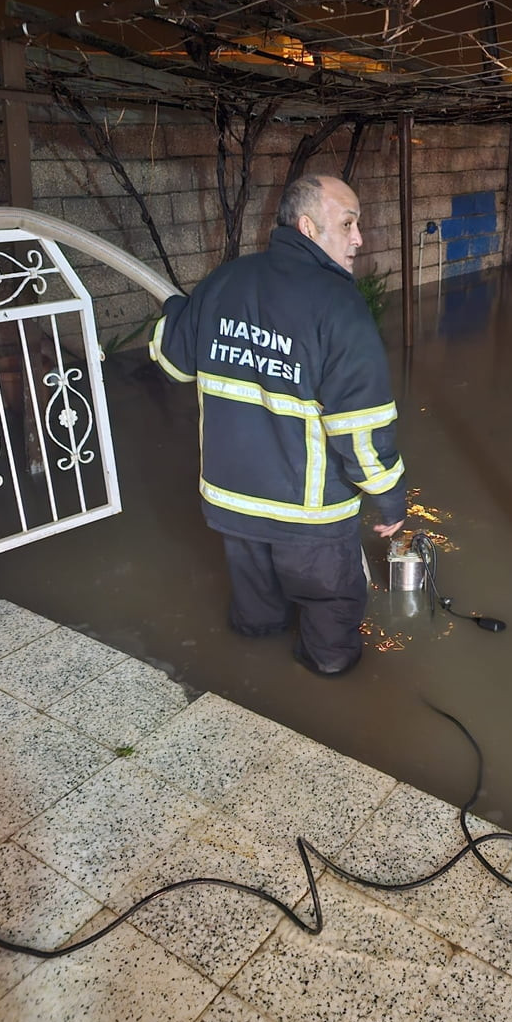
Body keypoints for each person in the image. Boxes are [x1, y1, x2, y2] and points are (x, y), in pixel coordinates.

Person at [149, 173, 406, 675]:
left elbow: (171, 360)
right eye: (349, 224)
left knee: (257, 609)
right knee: (331, 611)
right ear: (309, 227)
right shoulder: (339, 306)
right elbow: (360, 426)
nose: (359, 238)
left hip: (233, 503)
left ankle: (253, 668)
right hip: (307, 514)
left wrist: (181, 311)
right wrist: (389, 496)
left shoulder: (225, 280)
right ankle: (327, 686)